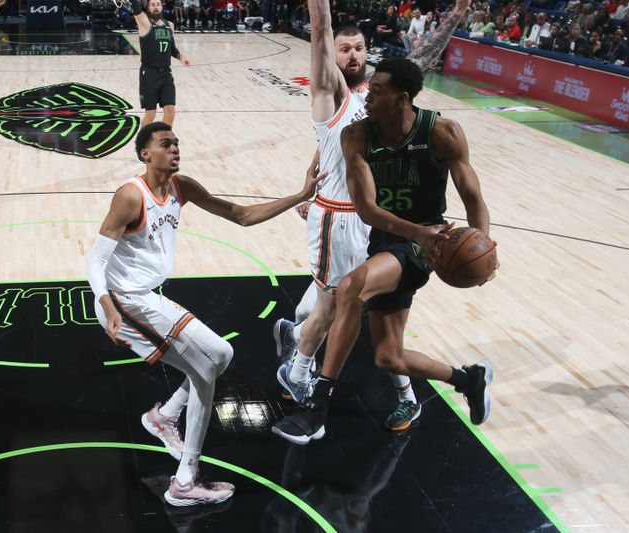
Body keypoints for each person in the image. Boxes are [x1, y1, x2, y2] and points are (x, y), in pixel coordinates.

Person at [86, 122, 322, 504]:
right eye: (166, 144)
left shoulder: (182, 187)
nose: (175, 148)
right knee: (204, 371)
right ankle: (184, 482)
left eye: (177, 142)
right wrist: (108, 307)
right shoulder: (131, 196)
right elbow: (95, 261)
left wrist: (301, 194)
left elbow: (241, 215)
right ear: (146, 154)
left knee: (222, 355)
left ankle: (164, 417)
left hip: (146, 298)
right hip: (125, 304)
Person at [272, 0, 473, 434]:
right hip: (349, 219)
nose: (352, 56)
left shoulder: (383, 100)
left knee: (341, 303)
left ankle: (301, 365)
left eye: (359, 48)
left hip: (384, 224)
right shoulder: (333, 96)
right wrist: (316, 188)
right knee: (347, 308)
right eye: (343, 49)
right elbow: (335, 142)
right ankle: (301, 357)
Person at [129, 0, 191, 126]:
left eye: (158, 4)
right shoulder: (144, 24)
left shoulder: (169, 25)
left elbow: (171, 48)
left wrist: (180, 56)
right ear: (148, 8)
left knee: (170, 111)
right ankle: (143, 142)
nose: (156, 7)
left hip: (166, 75)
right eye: (153, 5)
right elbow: (136, 10)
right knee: (150, 114)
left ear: (162, 7)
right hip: (149, 74)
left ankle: (164, 140)